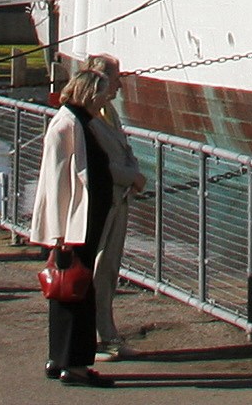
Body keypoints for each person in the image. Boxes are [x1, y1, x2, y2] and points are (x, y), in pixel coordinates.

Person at [31, 70, 115, 385]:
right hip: (71, 228)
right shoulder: (67, 125)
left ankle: (61, 359)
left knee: (69, 292)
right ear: (89, 93)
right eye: (102, 94)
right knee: (75, 292)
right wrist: (58, 236)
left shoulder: (81, 123)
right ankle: (75, 364)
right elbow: (54, 183)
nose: (106, 100)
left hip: (80, 225)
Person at [79, 55, 147, 361]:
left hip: (118, 199)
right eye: (116, 78)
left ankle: (107, 333)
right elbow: (94, 165)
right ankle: (96, 338)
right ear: (100, 79)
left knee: (109, 269)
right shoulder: (85, 119)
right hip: (100, 203)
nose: (120, 83)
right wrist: (130, 175)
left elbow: (123, 147)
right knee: (97, 270)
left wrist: (132, 171)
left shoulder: (108, 112)